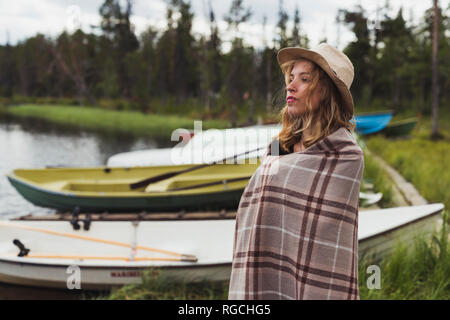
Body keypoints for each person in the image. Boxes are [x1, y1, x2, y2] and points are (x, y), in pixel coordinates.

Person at [228, 43, 364, 300]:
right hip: (264, 265)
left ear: (327, 91)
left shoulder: (346, 156)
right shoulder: (279, 146)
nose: (291, 86)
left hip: (313, 279)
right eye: (291, 78)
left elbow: (327, 240)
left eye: (304, 79)